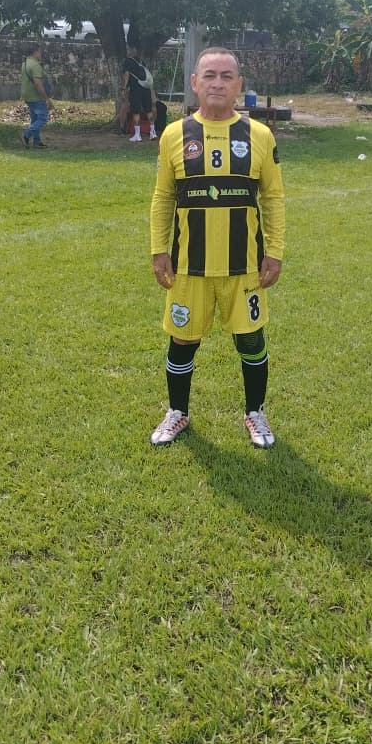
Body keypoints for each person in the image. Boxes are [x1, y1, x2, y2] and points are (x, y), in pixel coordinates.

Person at [149, 47, 285, 448]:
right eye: (209, 75)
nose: (217, 83)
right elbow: (163, 197)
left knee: (250, 340)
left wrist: (274, 251)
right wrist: (158, 250)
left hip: (244, 266)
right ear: (195, 83)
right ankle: (177, 412)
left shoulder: (259, 136)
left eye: (227, 76)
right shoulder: (174, 135)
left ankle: (255, 413)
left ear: (239, 85)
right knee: (182, 340)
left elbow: (273, 198)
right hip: (189, 266)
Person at [20, 43, 53, 148]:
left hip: (27, 95)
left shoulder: (25, 63)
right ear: (35, 52)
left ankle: (37, 141)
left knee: (35, 119)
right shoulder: (35, 65)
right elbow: (38, 83)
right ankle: (26, 135)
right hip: (36, 96)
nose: (41, 54)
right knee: (43, 118)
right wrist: (46, 98)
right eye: (40, 51)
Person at [122, 46, 157, 142]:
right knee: (148, 110)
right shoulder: (141, 62)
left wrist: (124, 88)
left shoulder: (128, 61)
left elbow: (126, 75)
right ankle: (152, 132)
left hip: (135, 89)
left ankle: (137, 135)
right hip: (146, 88)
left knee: (136, 111)